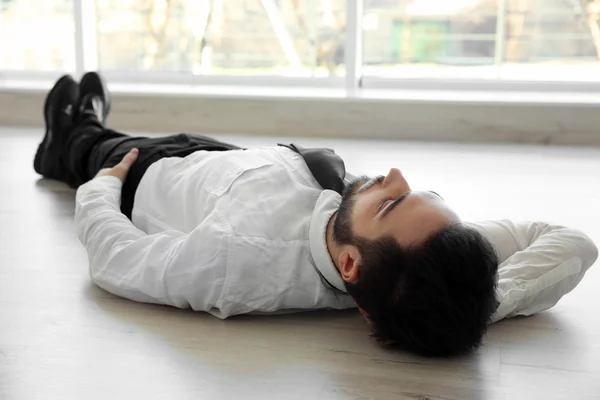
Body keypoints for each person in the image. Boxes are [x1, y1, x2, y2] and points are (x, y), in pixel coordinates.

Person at [34, 72, 598, 357]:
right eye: (421, 191)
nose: (394, 176)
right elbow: (573, 242)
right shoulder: (424, 261)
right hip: (246, 165)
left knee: (95, 150)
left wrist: (102, 192)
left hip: (156, 176)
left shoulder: (234, 264)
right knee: (116, 135)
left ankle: (72, 138)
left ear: (350, 265)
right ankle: (86, 125)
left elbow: (119, 262)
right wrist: (478, 306)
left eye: (393, 202)